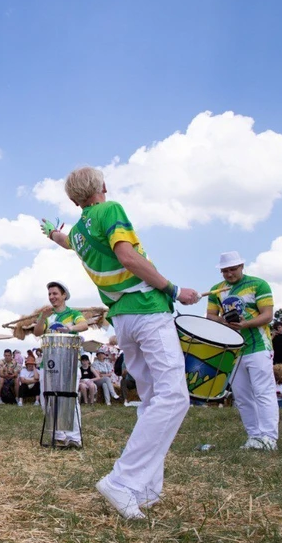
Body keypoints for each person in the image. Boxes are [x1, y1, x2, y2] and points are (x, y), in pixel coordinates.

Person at [43, 166, 200, 519]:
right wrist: (174, 290)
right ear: (103, 186)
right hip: (147, 308)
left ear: (73, 199)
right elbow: (128, 256)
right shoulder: (109, 210)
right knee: (174, 397)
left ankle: (145, 489)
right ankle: (124, 481)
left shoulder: (81, 229)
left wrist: (53, 234)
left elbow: (68, 243)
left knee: (153, 400)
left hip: (123, 317)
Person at [207, 251, 280, 451]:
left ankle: (269, 438)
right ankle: (254, 436)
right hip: (233, 350)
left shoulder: (259, 284)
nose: (229, 274)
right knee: (242, 396)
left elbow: (267, 315)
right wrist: (224, 321)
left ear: (241, 266)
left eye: (233, 269)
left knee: (263, 392)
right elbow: (210, 315)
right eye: (225, 271)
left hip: (258, 346)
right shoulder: (216, 290)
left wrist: (245, 324)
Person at [32, 281, 90, 446]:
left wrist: (69, 328)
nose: (52, 297)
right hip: (48, 364)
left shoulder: (73, 313)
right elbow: (37, 332)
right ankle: (58, 435)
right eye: (50, 294)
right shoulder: (47, 315)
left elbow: (84, 325)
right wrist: (42, 317)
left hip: (68, 364)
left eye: (55, 293)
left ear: (64, 295)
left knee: (70, 399)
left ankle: (74, 437)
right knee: (48, 399)